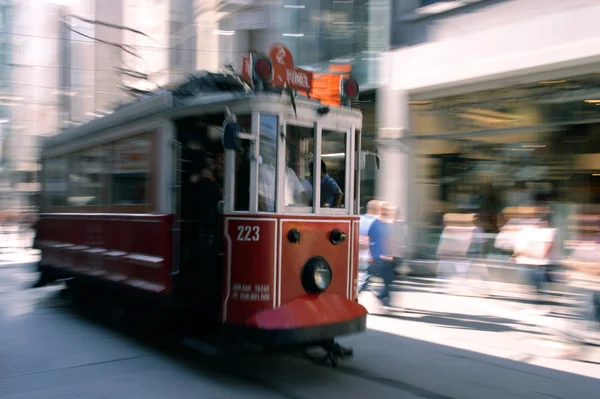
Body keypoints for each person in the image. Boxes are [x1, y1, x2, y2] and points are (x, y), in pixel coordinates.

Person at [357, 200, 395, 308]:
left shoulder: (364, 219)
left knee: (385, 280)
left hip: (377, 257)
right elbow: (370, 239)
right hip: (375, 256)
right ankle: (381, 297)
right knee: (370, 279)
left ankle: (383, 298)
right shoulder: (375, 222)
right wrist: (371, 255)